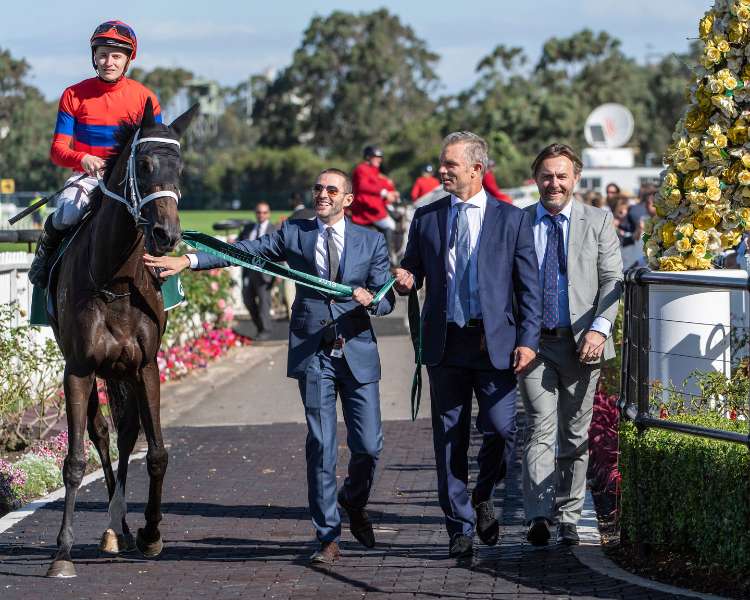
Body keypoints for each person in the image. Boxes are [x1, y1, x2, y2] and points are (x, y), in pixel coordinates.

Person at [145, 168, 395, 566]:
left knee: (369, 446)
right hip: (314, 354)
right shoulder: (294, 233)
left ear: (348, 199)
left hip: (357, 352)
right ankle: (328, 537)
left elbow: (386, 299)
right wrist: (189, 261)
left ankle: (353, 499)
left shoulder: (371, 241)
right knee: (322, 445)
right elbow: (244, 252)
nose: (323, 194)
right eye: (318, 188)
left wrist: (374, 300)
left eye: (332, 190)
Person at [395, 131, 541, 558]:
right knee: (449, 437)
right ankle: (459, 527)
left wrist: (528, 341)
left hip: (494, 343)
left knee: (501, 428)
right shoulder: (427, 217)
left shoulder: (512, 219)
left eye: (450, 165)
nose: (441, 171)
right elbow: (412, 269)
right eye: (442, 163)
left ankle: (483, 495)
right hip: (445, 343)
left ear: (477, 169)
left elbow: (529, 289)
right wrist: (406, 279)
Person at [520, 143, 623, 547]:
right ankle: (538, 515)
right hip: (535, 345)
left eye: (562, 176)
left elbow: (612, 279)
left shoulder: (597, 220)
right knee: (540, 428)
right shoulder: (520, 222)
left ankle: (568, 515)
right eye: (547, 175)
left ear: (575, 178)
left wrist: (599, 329)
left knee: (575, 435)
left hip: (583, 344)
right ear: (536, 178)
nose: (554, 183)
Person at [28, 20, 161, 288]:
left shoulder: (145, 98)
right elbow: (57, 151)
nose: (108, 62)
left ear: (128, 59)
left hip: (130, 183)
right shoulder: (73, 95)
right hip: (88, 179)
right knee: (68, 213)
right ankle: (44, 259)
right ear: (94, 57)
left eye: (116, 56)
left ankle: (166, 284)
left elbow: (155, 151)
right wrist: (83, 158)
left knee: (159, 216)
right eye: (102, 55)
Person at [238, 202, 276, 340]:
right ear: (255, 213)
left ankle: (265, 330)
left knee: (264, 302)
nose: (261, 215)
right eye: (259, 212)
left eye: (264, 212)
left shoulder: (274, 230)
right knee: (247, 299)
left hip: (265, 273)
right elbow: (239, 243)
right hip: (248, 271)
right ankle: (260, 327)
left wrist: (278, 273)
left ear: (269, 214)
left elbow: (279, 252)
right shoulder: (249, 228)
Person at [351, 145, 399, 252]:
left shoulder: (373, 170)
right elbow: (363, 186)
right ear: (368, 157)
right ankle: (388, 256)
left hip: (374, 207)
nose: (379, 160)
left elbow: (379, 186)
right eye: (376, 157)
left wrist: (391, 193)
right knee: (390, 225)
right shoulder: (361, 168)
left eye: (380, 157)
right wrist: (385, 193)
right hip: (366, 209)